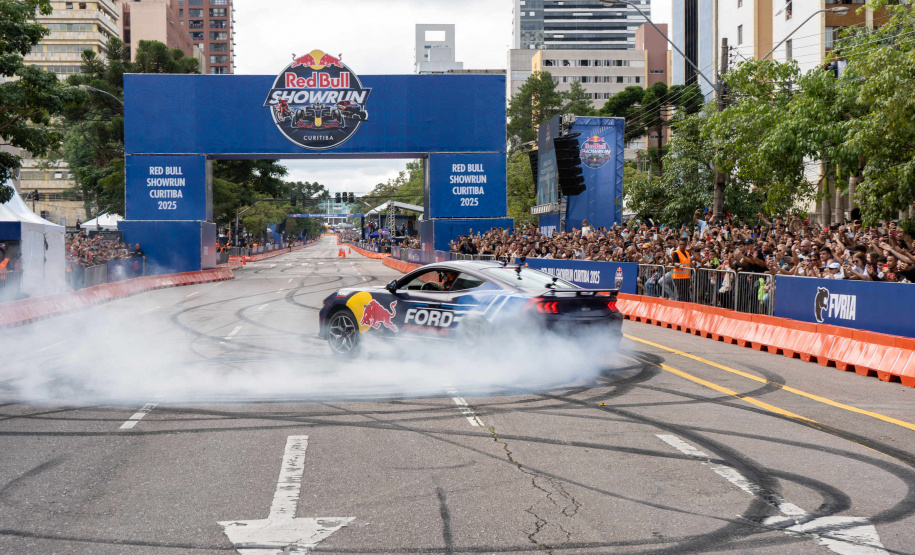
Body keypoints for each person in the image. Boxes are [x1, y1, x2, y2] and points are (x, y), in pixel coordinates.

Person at [670, 238, 693, 302]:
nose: (682, 246)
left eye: (683, 244)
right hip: (678, 277)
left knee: (686, 293)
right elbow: (675, 262)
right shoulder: (675, 253)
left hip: (686, 277)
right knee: (682, 294)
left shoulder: (687, 253)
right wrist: (679, 265)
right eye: (680, 244)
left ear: (686, 245)